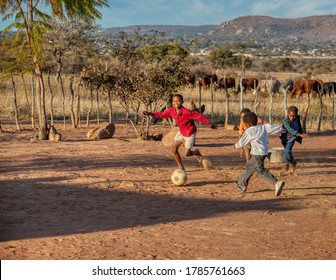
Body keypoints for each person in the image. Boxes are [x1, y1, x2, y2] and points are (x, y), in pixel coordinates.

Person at [143, 93, 216, 170]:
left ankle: (196, 152)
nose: (176, 103)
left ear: (182, 102)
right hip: (181, 131)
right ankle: (181, 167)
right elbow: (161, 115)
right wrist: (150, 113)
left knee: (187, 154)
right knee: (174, 149)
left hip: (189, 133)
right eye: (174, 101)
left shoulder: (186, 112)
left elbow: (198, 116)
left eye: (178, 101)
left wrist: (209, 123)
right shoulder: (171, 110)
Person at [233, 112, 285, 196]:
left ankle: (276, 182)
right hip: (264, 152)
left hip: (257, 154)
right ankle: (241, 184)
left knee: (260, 170)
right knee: (249, 166)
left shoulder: (249, 131)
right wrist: (281, 128)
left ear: (248, 124)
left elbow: (242, 142)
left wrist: (235, 146)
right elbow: (273, 128)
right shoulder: (262, 127)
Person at [280, 106, 309, 175]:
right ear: (288, 114)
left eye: (294, 116)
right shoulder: (285, 121)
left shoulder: (297, 118)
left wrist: (300, 133)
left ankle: (286, 166)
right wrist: (299, 134)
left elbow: (299, 126)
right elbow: (289, 129)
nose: (292, 118)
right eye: (290, 116)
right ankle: (292, 163)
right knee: (287, 152)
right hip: (285, 138)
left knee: (287, 151)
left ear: (296, 114)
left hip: (292, 138)